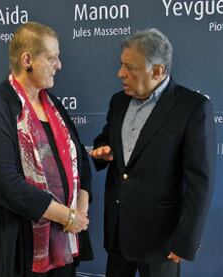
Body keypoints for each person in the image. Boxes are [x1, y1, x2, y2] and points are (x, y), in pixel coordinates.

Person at [89, 28, 216, 277]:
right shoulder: (118, 101)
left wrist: (186, 241)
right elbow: (107, 137)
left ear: (157, 71)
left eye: (130, 67)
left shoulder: (192, 108)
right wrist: (104, 149)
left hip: (162, 243)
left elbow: (201, 181)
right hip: (118, 236)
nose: (120, 73)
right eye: (121, 65)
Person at [0, 21, 93, 277]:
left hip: (62, 243)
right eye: (52, 58)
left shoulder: (53, 105)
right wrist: (65, 216)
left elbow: (80, 157)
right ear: (27, 59)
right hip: (21, 248)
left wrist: (80, 207)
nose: (59, 65)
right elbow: (3, 182)